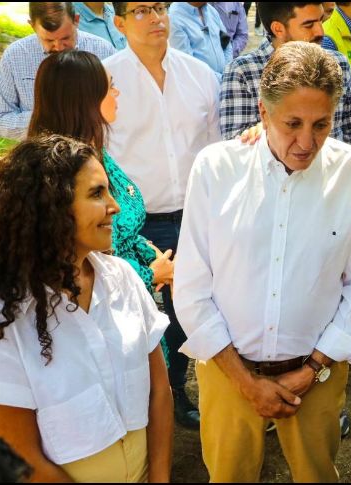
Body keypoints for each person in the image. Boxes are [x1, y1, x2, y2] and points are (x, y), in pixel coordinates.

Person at [174, 41, 351, 483]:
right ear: (263, 113)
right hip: (227, 373)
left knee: (317, 475)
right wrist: (244, 382)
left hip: (317, 377)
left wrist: (313, 368)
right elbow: (191, 287)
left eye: (321, 124)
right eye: (293, 123)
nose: (306, 142)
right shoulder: (215, 168)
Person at [0, 135, 173, 482]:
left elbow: (160, 394)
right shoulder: (9, 316)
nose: (115, 206)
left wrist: (159, 478)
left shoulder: (122, 277)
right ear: (52, 206)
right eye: (97, 194)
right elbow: (22, 456)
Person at [106, 1, 221, 430]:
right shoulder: (108, 79)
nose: (155, 17)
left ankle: (176, 389)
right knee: (146, 317)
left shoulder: (200, 74)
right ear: (118, 23)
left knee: (192, 311)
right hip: (139, 222)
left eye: (159, 7)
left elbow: (214, 151)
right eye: (140, 11)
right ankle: (146, 399)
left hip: (195, 215)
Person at [27, 50, 174, 296]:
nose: (116, 93)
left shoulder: (96, 154)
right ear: (86, 99)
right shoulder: (62, 172)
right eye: (110, 87)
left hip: (130, 296)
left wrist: (151, 253)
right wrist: (150, 273)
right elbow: (80, 263)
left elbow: (124, 233)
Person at [219, 2, 351, 149]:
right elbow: (238, 150)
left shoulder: (338, 64)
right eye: (308, 25)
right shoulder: (242, 73)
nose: (320, 31)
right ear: (278, 29)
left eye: (321, 20)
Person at [0, 2, 115, 140]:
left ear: (76, 20)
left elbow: (122, 107)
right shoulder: (15, 56)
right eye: (49, 40)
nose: (59, 47)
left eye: (66, 38)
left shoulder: (103, 51)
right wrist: (48, 119)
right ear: (32, 26)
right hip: (40, 155)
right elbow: (2, 118)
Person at [168, 2, 233, 82]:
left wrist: (228, 73)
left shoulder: (211, 10)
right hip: (202, 88)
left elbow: (226, 44)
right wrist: (222, 79)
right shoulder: (174, 18)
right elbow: (188, 66)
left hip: (225, 82)